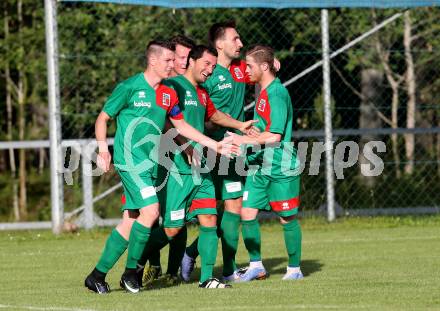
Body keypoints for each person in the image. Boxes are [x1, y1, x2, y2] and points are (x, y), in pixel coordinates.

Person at [84, 39, 237, 294]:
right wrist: (102, 149)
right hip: (130, 161)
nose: (173, 64)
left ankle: (97, 275)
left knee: (131, 221)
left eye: (174, 60)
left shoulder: (168, 92)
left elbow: (179, 125)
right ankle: (131, 273)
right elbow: (103, 118)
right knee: (152, 211)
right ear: (152, 60)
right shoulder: (130, 87)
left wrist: (206, 145)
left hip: (153, 163)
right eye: (168, 60)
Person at [140, 44, 257, 289]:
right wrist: (185, 144)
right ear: (191, 61)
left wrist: (239, 125)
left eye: (214, 66)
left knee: (209, 218)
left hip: (199, 168)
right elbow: (165, 123)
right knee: (172, 230)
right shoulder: (172, 87)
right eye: (206, 64)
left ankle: (207, 279)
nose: (210, 70)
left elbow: (214, 116)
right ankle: (136, 262)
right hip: (175, 169)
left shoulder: (202, 93)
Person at [181, 20, 257, 283]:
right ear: (219, 44)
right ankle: (189, 253)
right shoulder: (207, 78)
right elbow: (203, 117)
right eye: (235, 39)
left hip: (234, 150)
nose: (240, 44)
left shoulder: (239, 71)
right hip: (210, 150)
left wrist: (274, 63)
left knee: (234, 206)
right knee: (206, 212)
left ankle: (227, 269)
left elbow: (260, 69)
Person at [227, 45, 303, 282]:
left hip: (280, 165)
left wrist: (243, 139)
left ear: (264, 67)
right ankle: (256, 266)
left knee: (286, 217)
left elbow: (275, 136)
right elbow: (264, 127)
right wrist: (251, 132)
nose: (246, 69)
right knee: (247, 213)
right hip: (260, 164)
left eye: (249, 65)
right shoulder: (263, 91)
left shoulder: (277, 94)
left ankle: (294, 269)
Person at [140, 34, 197, 288]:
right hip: (157, 159)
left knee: (178, 217)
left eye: (187, 57)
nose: (184, 62)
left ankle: (172, 270)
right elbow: (163, 123)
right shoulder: (159, 86)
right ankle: (145, 264)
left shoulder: (187, 85)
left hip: (181, 162)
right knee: (153, 215)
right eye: (180, 57)